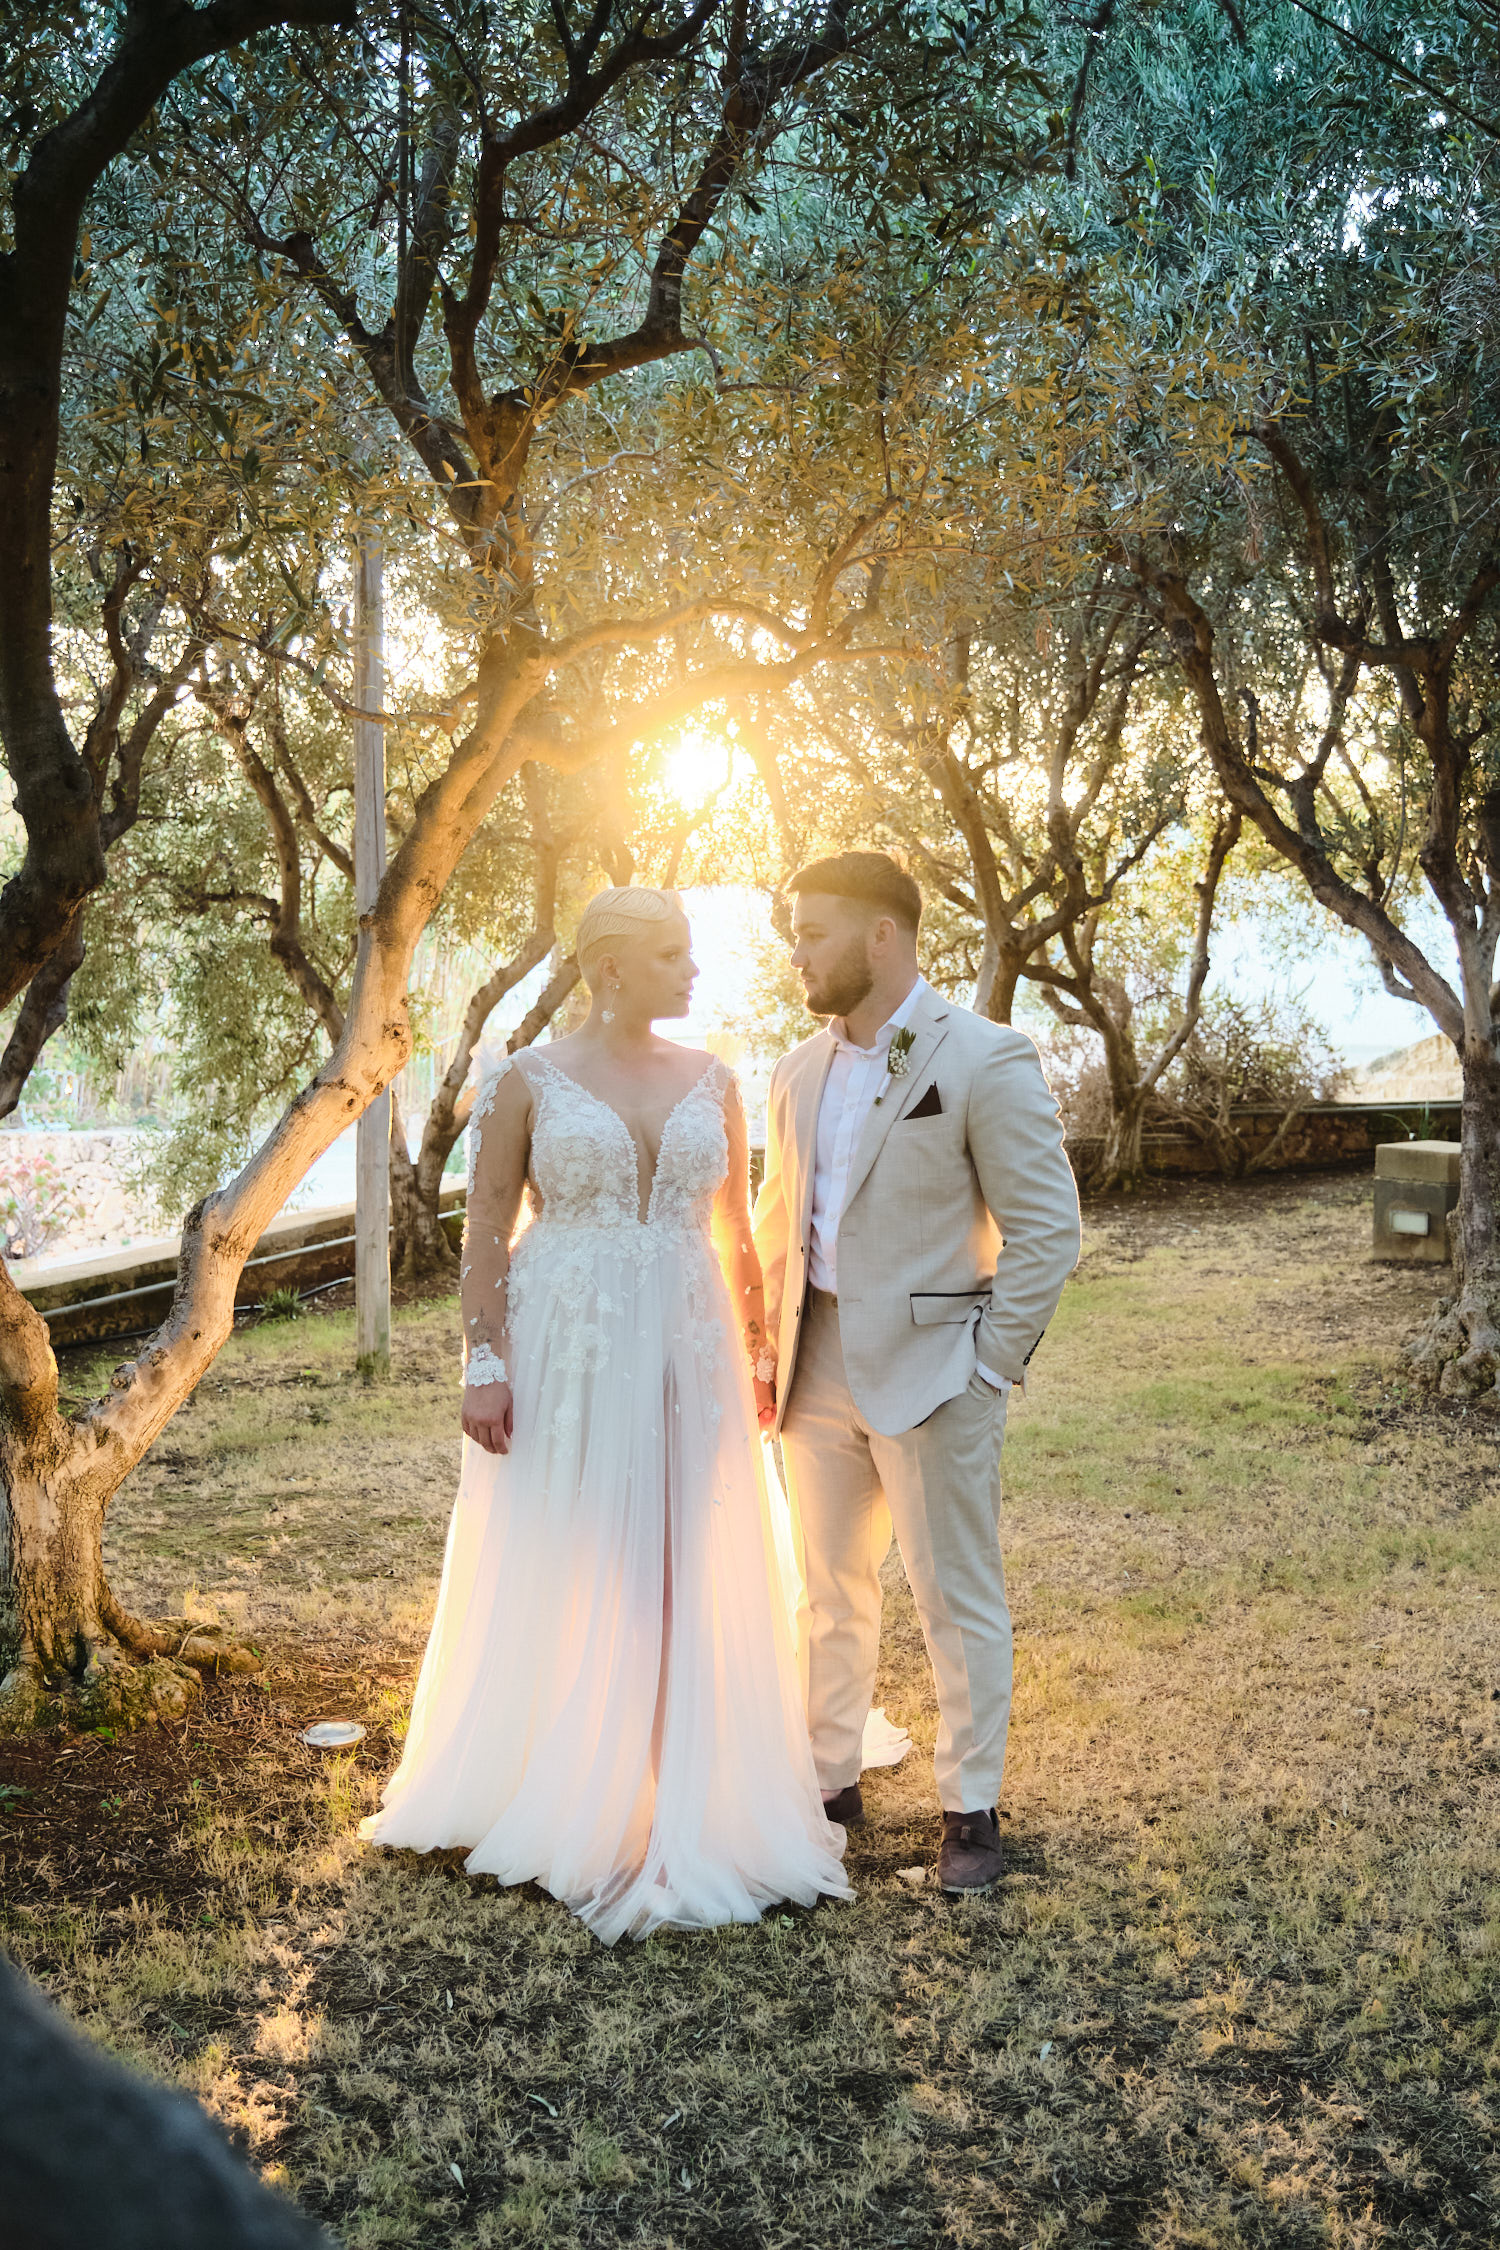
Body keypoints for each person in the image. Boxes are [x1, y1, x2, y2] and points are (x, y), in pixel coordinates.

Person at [360, 886, 850, 1942]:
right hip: (567, 1340)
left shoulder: (714, 1078)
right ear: (612, 967)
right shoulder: (524, 1079)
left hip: (687, 1339)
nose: (694, 971)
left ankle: (681, 1790)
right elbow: (485, 1227)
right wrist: (484, 1363)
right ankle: (577, 1772)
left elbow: (734, 1229)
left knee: (680, 1554)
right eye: (674, 954)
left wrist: (760, 1355)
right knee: (580, 1549)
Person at [753, 851, 1081, 1897]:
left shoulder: (985, 1057)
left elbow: (1047, 1229)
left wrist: (987, 1368)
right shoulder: (794, 1072)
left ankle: (969, 1808)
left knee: (955, 1597)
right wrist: (767, 1347)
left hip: (939, 1370)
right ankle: (829, 1783)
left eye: (812, 933)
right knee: (828, 1591)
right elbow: (778, 1221)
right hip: (812, 1367)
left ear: (881, 935)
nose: (797, 955)